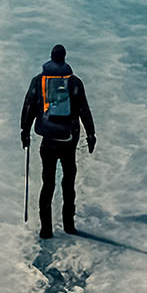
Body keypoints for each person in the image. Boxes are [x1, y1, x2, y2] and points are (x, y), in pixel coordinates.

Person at [20, 44, 96, 238]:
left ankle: (46, 229)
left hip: (48, 139)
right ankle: (69, 224)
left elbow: (29, 106)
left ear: (51, 57)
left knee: (48, 182)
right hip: (69, 139)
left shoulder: (39, 81)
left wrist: (25, 131)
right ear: (64, 57)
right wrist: (91, 133)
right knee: (68, 182)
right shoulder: (75, 82)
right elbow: (84, 109)